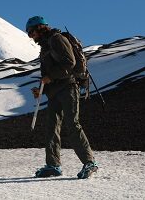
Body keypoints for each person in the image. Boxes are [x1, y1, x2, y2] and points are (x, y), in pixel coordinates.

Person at [26, 16, 98, 179]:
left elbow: (69, 63)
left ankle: (89, 162)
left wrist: (49, 78)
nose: (31, 37)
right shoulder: (45, 46)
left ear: (39, 28)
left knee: (73, 124)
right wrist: (41, 89)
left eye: (31, 32)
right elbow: (48, 74)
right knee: (52, 128)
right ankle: (53, 165)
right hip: (54, 92)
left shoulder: (56, 39)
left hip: (68, 87)